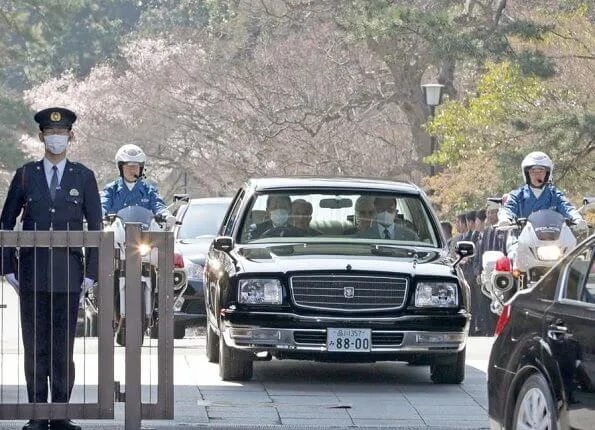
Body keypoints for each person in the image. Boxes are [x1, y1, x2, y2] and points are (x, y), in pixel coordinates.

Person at [0, 107, 102, 430]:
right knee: (35, 347)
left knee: (62, 347)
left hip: (69, 277)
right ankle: (36, 413)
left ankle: (59, 413)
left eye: (61, 133)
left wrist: (91, 274)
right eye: (50, 133)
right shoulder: (26, 175)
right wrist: (8, 268)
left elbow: (96, 227)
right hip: (31, 275)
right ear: (41, 136)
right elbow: (6, 223)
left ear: (70, 136)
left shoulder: (83, 177)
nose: (56, 138)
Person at [498, 151, 587, 230]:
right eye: (533, 171)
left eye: (541, 171)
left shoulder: (555, 195)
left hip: (552, 240)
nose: (537, 175)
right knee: (513, 248)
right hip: (522, 240)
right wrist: (505, 218)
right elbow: (508, 208)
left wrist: (577, 218)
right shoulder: (517, 195)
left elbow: (567, 208)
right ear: (527, 174)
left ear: (547, 174)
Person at [101, 144, 175, 223]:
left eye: (135, 167)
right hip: (117, 234)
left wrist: (166, 215)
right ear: (120, 168)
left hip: (144, 234)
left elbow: (159, 205)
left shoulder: (149, 190)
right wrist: (99, 214)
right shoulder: (111, 190)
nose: (132, 170)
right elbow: (102, 205)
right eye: (128, 166)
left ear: (141, 169)